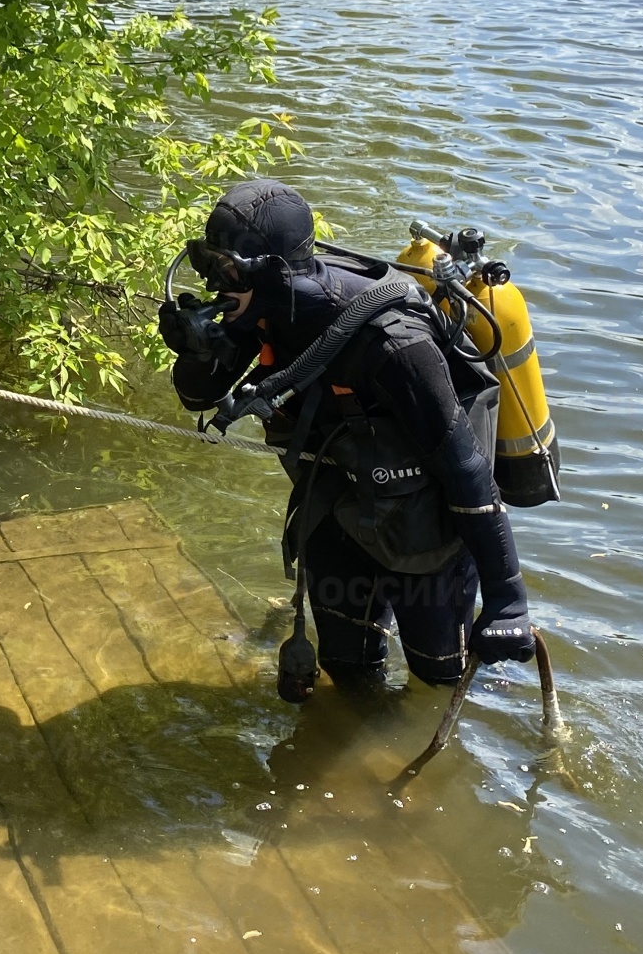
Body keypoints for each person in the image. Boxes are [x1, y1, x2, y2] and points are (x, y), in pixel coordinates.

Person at [160, 180, 535, 699]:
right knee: (348, 670)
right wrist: (197, 350)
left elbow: (468, 471)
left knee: (438, 683)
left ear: (276, 270)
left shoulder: (395, 344)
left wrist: (507, 601)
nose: (215, 285)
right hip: (334, 508)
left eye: (225, 270)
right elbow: (199, 398)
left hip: (425, 532)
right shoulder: (260, 306)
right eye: (207, 266)